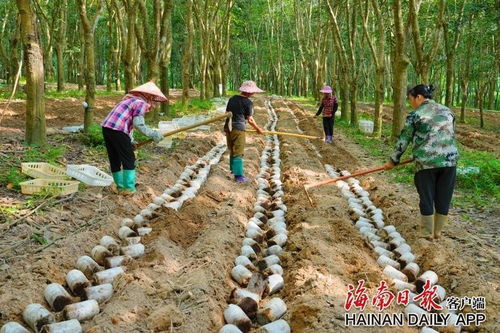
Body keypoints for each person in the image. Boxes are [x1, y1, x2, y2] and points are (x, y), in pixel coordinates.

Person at [385, 84, 459, 240]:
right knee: (443, 197)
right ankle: (437, 232)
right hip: (450, 161)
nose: (410, 102)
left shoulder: (415, 115)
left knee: (426, 197)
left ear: (418, 97)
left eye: (410, 99)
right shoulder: (448, 111)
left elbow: (404, 139)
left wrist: (393, 160)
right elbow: (449, 134)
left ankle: (427, 234)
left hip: (426, 163)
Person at [101, 82, 167, 194]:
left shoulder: (128, 100)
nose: (155, 105)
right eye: (155, 101)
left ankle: (120, 187)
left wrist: (130, 141)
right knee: (129, 158)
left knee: (115, 158)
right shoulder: (141, 103)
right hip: (118, 130)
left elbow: (128, 124)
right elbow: (138, 124)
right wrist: (153, 134)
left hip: (107, 128)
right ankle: (128, 188)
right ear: (149, 97)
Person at [224, 80, 265, 182]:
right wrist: (258, 129)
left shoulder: (232, 99)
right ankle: (239, 176)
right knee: (239, 151)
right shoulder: (248, 102)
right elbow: (250, 119)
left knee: (232, 149)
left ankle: (233, 170)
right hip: (238, 129)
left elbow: (227, 112)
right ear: (250, 92)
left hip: (228, 127)